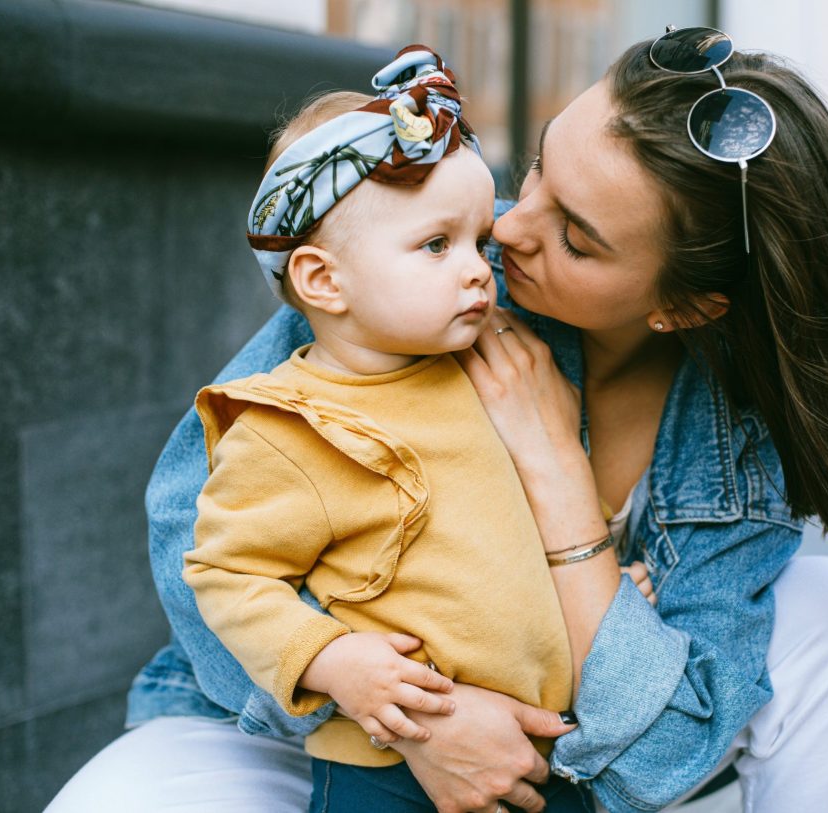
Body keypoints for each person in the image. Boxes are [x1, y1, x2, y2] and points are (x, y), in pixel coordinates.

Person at [48, 27, 828, 813]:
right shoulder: (426, 293)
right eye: (538, 167)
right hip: (306, 719)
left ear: (683, 305)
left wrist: (555, 472)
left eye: (577, 237)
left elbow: (663, 758)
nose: (506, 229)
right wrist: (409, 720)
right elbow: (195, 532)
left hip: (564, 762)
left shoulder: (726, 443)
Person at [177, 44, 594, 813]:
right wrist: (331, 658)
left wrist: (604, 586)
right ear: (323, 281)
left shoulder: (484, 370)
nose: (478, 269)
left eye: (477, 239)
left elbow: (505, 531)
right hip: (388, 771)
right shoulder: (292, 426)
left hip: (540, 752)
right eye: (437, 245)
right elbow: (226, 573)